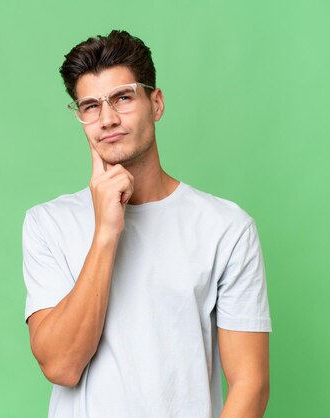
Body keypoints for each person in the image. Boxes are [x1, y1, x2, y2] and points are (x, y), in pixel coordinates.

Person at [22, 29, 272, 418]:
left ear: (155, 103)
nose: (107, 119)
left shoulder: (226, 227)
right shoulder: (47, 223)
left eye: (122, 98)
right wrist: (106, 232)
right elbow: (61, 366)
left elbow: (249, 383)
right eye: (90, 106)